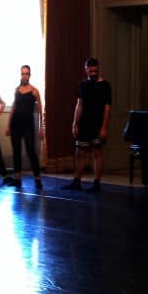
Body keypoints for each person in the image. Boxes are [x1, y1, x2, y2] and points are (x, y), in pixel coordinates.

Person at [64, 57, 111, 193]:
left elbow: (107, 107)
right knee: (80, 152)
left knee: (97, 152)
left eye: (95, 70)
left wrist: (104, 127)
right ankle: (76, 181)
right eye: (91, 71)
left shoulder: (105, 85)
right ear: (86, 70)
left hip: (98, 124)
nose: (93, 73)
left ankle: (97, 183)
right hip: (84, 123)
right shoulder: (82, 85)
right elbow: (79, 105)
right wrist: (75, 123)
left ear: (98, 69)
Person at [5, 65, 44, 189]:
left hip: (28, 126)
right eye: (23, 73)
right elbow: (13, 107)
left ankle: (37, 179)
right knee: (16, 152)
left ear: (30, 75)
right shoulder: (17, 90)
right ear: (20, 75)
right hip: (15, 125)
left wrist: (42, 128)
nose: (24, 76)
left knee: (31, 152)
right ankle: (18, 179)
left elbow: (40, 110)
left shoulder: (35, 91)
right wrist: (8, 125)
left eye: (26, 73)